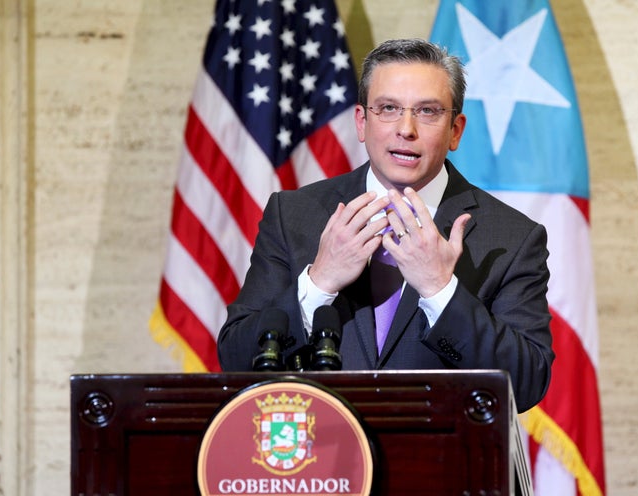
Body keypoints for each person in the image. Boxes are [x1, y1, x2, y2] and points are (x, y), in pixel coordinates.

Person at [217, 38, 554, 412]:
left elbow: (526, 384)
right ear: (362, 121)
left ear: (456, 130)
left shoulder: (510, 237)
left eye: (428, 112)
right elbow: (236, 359)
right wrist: (319, 282)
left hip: (440, 462)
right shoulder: (294, 214)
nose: (406, 129)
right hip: (320, 459)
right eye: (389, 108)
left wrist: (440, 290)